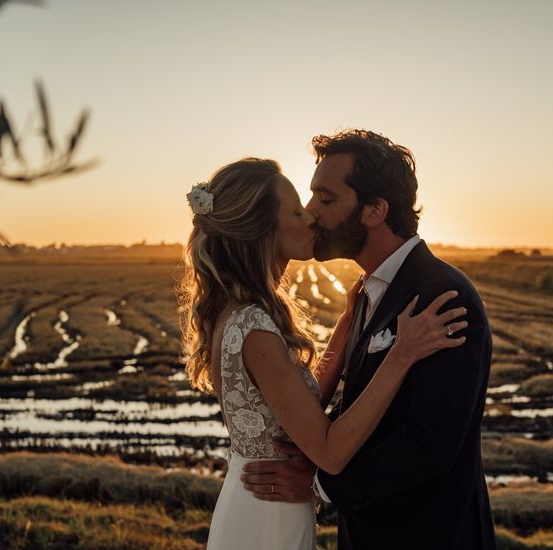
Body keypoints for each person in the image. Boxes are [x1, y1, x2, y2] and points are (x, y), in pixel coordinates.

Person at [177, 157, 468, 549]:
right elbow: (328, 451)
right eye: (297, 211)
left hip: (263, 504)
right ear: (263, 229)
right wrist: (401, 354)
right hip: (267, 518)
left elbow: (300, 404)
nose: (311, 218)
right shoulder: (255, 329)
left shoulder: (241, 313)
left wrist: (347, 327)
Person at [241, 130, 497, 549]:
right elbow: (365, 407)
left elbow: (429, 444)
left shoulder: (444, 297)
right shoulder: (365, 292)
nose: (310, 213)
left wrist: (321, 485)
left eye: (326, 199)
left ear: (375, 210)